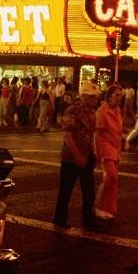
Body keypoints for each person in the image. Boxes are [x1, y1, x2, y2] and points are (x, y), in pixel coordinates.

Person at [54, 91, 98, 230]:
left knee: (89, 190)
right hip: (70, 158)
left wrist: (94, 151)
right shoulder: (72, 110)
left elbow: (93, 133)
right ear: (83, 96)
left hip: (87, 155)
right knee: (66, 190)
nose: (94, 99)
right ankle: (60, 219)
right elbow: (68, 135)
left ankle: (88, 219)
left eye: (95, 96)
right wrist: (77, 154)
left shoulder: (92, 112)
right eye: (91, 96)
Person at [94, 85, 123, 221]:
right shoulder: (102, 111)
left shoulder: (117, 110)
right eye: (116, 95)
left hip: (115, 148)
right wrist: (97, 152)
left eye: (120, 95)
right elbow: (98, 133)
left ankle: (109, 208)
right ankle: (99, 205)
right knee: (110, 176)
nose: (119, 98)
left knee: (113, 178)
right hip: (105, 147)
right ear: (109, 95)